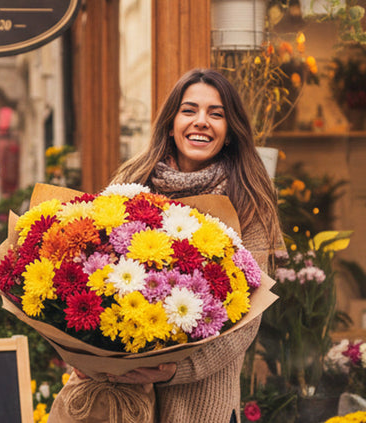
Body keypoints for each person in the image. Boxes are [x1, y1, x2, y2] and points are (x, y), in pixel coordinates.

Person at [67, 68, 281, 422]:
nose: (201, 122)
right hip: (120, 397)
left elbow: (247, 320)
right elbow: (93, 274)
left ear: (230, 132)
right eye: (189, 110)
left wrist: (174, 369)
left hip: (201, 400)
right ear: (170, 123)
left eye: (216, 114)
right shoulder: (132, 183)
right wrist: (89, 353)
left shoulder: (249, 201)